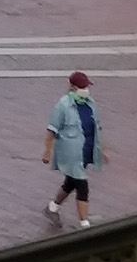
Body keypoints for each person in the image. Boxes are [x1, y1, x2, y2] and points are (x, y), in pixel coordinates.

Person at [44, 71, 104, 229]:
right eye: (82, 87)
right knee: (82, 186)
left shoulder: (90, 104)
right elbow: (52, 130)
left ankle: (53, 207)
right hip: (71, 154)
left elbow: (96, 128)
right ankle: (84, 223)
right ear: (72, 87)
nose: (85, 90)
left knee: (71, 182)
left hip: (85, 151)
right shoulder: (63, 106)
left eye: (86, 86)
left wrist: (101, 151)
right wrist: (47, 151)